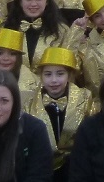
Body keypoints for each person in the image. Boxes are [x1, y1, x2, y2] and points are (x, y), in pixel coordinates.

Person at [24, 48, 94, 180]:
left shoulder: (85, 99)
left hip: (75, 168)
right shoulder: (29, 103)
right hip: (39, 168)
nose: (54, 80)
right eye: (48, 74)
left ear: (69, 75)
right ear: (41, 76)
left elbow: (91, 137)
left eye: (60, 74)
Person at [3, 0, 70, 68]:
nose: (33, 4)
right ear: (20, 1)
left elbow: (68, 66)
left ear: (47, 1)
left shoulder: (62, 31)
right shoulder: (6, 28)